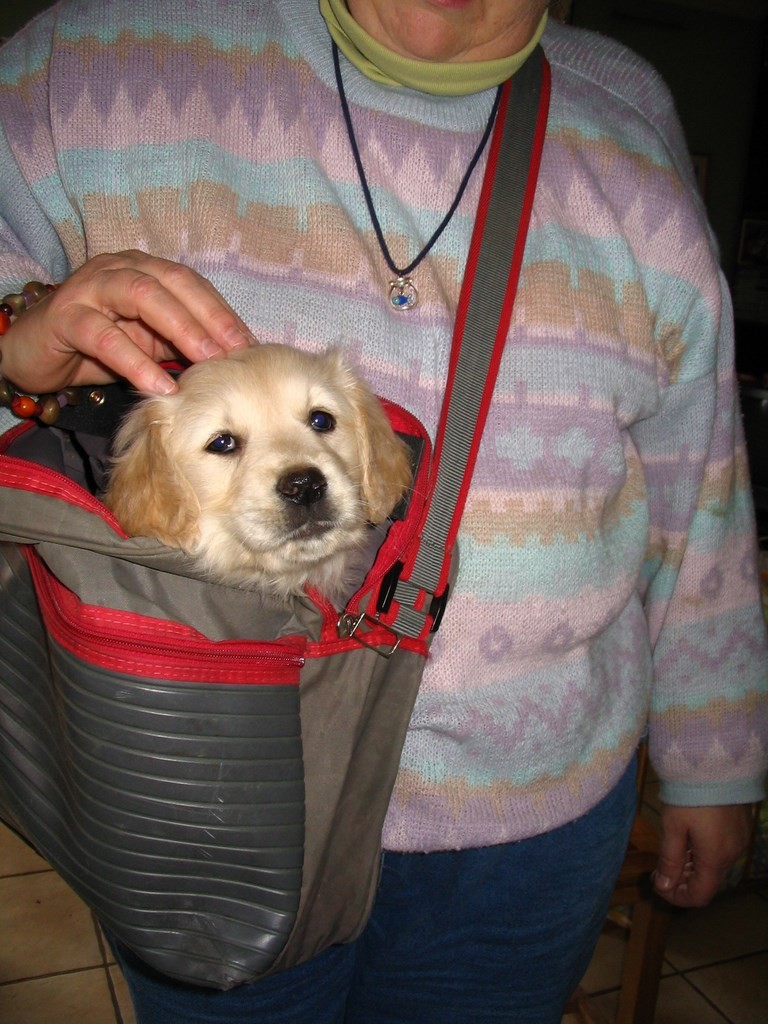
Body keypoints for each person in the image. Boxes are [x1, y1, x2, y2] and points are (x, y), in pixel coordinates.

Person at [0, 1, 766, 1021]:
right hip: (214, 810)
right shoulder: (87, 58)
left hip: (532, 822)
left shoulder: (624, 110)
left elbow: (698, 480)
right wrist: (13, 339)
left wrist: (716, 761)